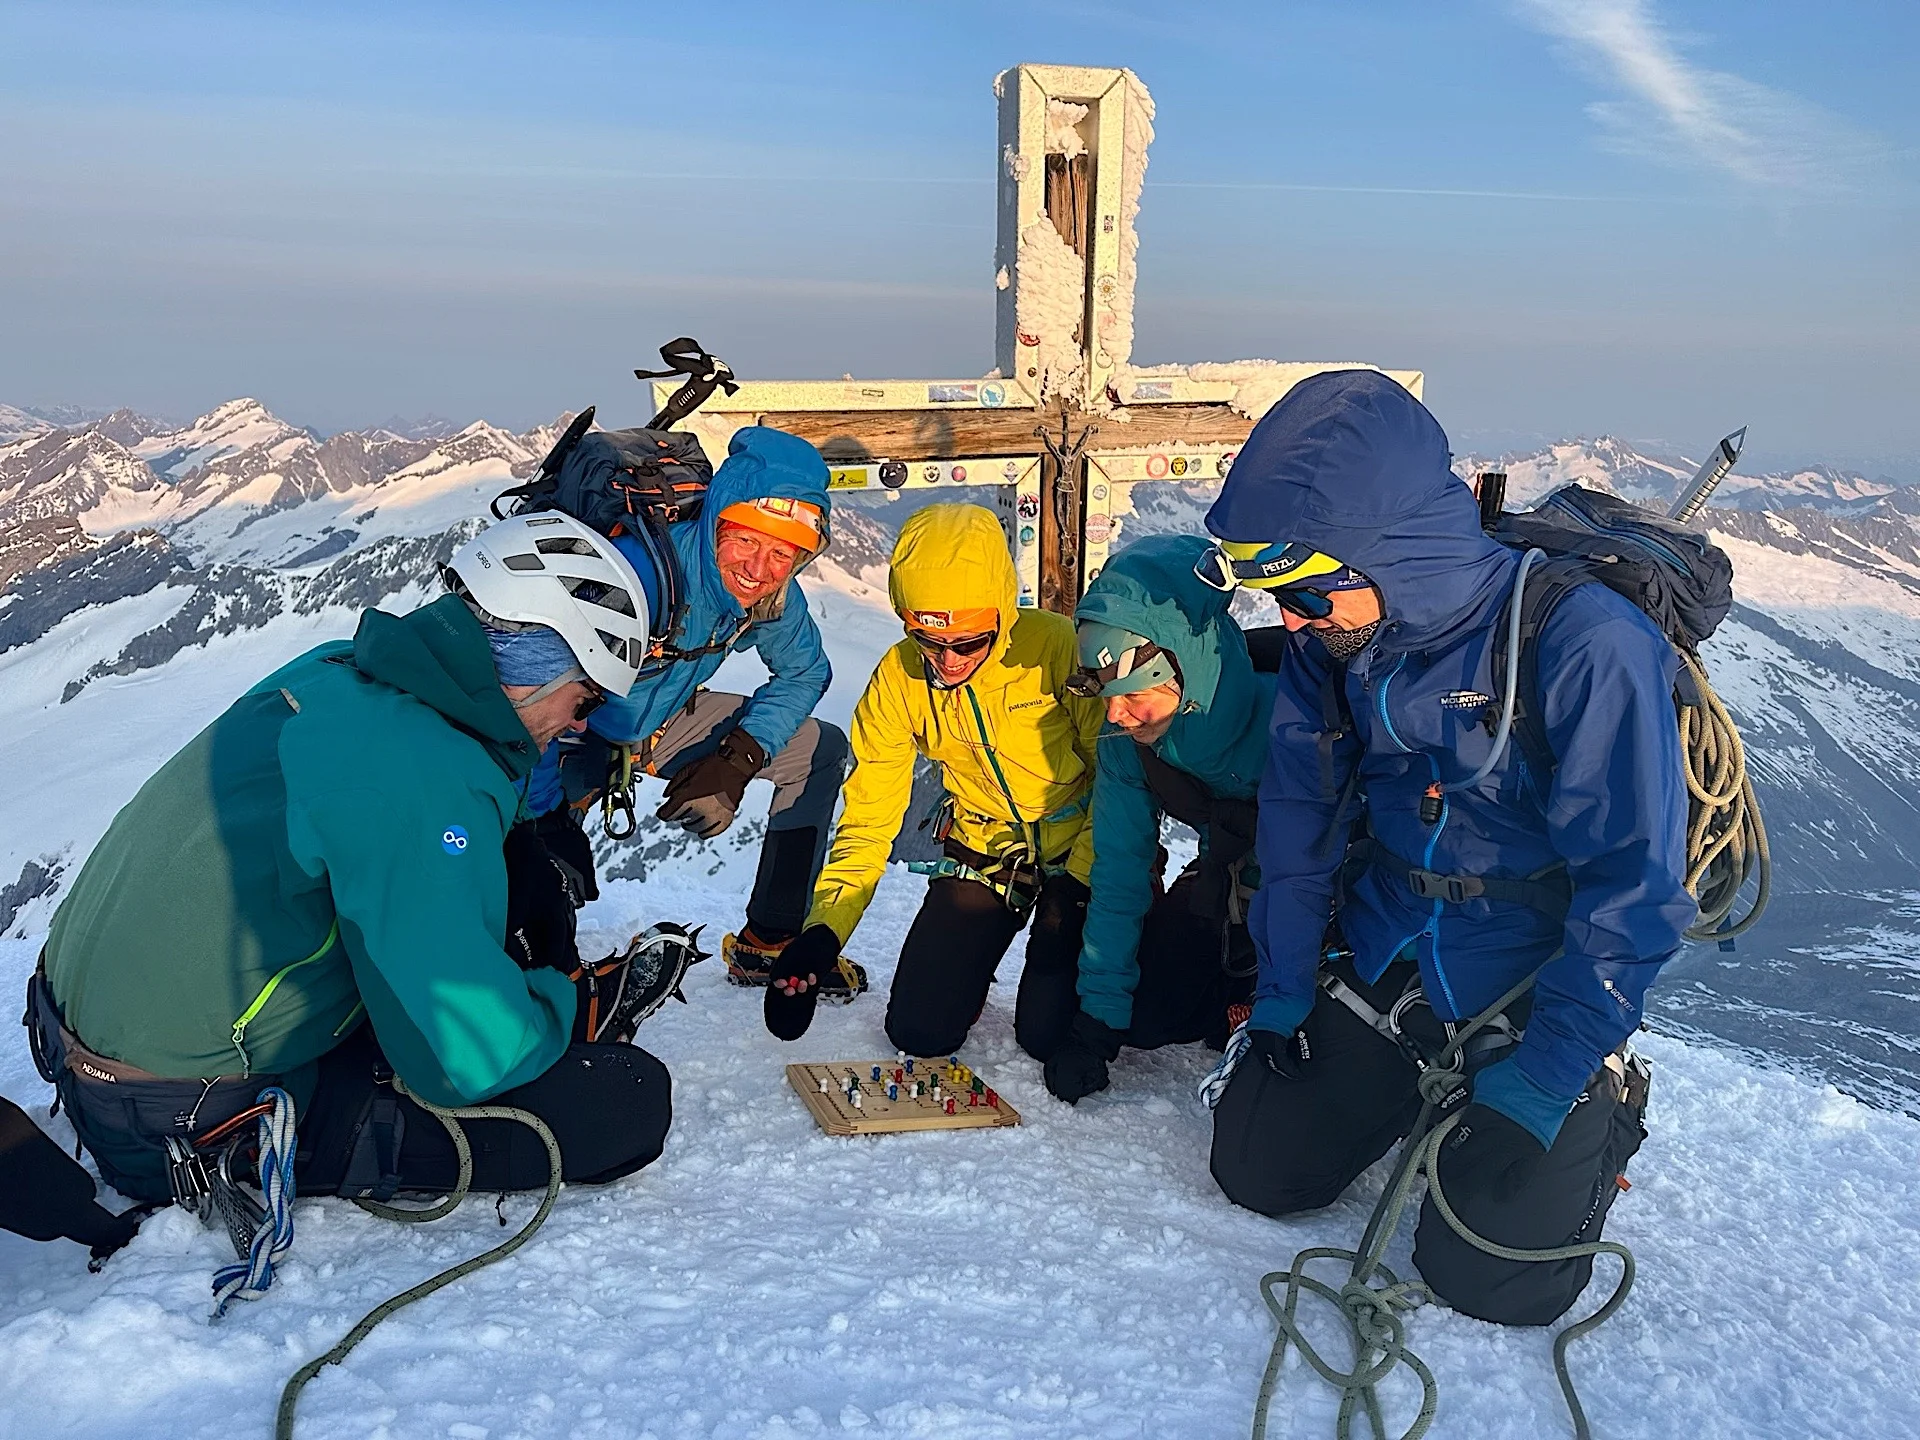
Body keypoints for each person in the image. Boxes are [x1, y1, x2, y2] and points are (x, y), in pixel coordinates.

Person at [1199, 369, 1692, 1326]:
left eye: (1307, 593)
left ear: (1392, 552)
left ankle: (1600, 1099)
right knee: (1259, 1169)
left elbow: (1632, 883)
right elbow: (1298, 823)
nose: (1291, 622)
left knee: (1496, 1281)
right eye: (1278, 597)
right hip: (1392, 942)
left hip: (1530, 975)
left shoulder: (1586, 644)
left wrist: (1548, 1076)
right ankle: (1423, 1089)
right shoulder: (1331, 648)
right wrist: (1285, 987)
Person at [29, 513, 680, 1207]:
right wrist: (555, 1004)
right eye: (584, 698)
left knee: (500, 862)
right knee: (626, 1103)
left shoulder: (339, 669)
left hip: (83, 1043)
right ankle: (559, 1014)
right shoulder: (423, 778)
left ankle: (512, 994)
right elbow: (463, 1065)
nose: (581, 724)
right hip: (174, 1116)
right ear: (537, 670)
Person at [762, 503, 1103, 1053]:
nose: (947, 660)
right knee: (919, 1031)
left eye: (968, 642)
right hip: (987, 852)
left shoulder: (1056, 646)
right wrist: (824, 931)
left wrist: (1079, 882)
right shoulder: (899, 679)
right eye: (927, 639)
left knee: (1051, 1035)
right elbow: (869, 819)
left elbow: (1116, 776)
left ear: (1001, 614)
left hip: (1083, 846)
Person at [522, 427, 851, 993]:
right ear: (718, 521)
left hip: (657, 722)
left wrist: (738, 759)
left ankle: (769, 943)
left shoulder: (770, 598)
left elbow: (805, 672)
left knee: (818, 751)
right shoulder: (639, 576)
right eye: (746, 541)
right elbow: (526, 700)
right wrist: (546, 817)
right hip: (565, 731)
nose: (759, 568)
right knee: (536, 865)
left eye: (782, 553)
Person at [1034, 535, 1271, 1104]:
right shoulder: (1127, 741)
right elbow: (1120, 874)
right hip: (1224, 879)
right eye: (1104, 692)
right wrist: (1098, 1022)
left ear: (1183, 667)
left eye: (1131, 692)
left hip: (1315, 902)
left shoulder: (1286, 721)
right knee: (1143, 1019)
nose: (1115, 714)